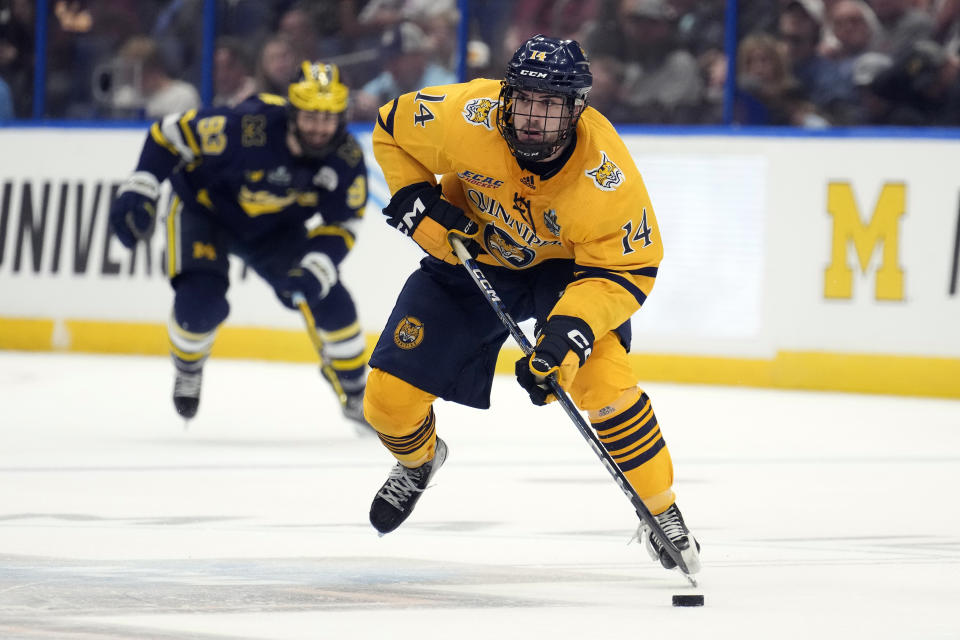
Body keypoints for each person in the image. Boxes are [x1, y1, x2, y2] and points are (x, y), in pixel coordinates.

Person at [363, 35, 702, 576]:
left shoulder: (605, 178)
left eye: (550, 105)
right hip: (476, 245)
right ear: (505, 95)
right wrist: (417, 204)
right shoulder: (466, 116)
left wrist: (569, 334)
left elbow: (626, 269)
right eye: (525, 99)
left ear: (577, 109)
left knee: (603, 385)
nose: (534, 118)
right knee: (385, 400)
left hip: (570, 269)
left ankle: (662, 509)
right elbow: (390, 128)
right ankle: (419, 460)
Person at [108, 61, 373, 433]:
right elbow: (169, 134)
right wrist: (142, 184)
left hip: (276, 229)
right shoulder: (247, 126)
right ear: (293, 111)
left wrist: (316, 267)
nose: (319, 127)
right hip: (205, 213)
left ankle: (358, 396)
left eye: (329, 117)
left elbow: (343, 221)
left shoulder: (346, 157)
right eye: (311, 115)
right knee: (199, 307)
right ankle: (188, 367)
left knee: (334, 303)